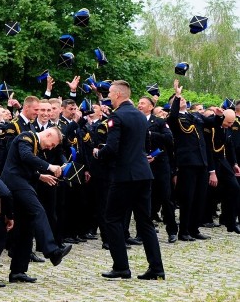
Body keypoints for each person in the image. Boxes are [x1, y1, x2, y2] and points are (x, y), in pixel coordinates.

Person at [92, 80, 165, 280]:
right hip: (143, 173)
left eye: (110, 95)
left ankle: (121, 266)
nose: (108, 98)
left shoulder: (117, 116)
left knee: (112, 218)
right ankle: (156, 268)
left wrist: (99, 153)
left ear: (117, 95)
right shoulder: (141, 117)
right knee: (145, 222)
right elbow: (145, 144)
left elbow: (112, 148)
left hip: (124, 176)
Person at [0, 127, 71, 283]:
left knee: (25, 227)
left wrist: (40, 176)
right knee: (38, 211)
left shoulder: (35, 144)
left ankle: (18, 271)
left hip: (22, 182)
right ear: (48, 134)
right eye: (52, 144)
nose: (51, 148)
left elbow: (25, 166)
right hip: (15, 182)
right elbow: (25, 157)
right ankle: (52, 251)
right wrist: (49, 167)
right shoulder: (26, 137)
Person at [167, 80, 223, 241]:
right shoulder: (175, 118)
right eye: (179, 99)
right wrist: (176, 96)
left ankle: (194, 228)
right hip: (187, 162)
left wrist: (219, 116)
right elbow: (173, 116)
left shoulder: (195, 116)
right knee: (187, 197)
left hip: (201, 161)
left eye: (183, 98)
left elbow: (212, 123)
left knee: (200, 197)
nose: (182, 99)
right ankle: (183, 231)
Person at [138, 95, 177, 242]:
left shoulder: (160, 122)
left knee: (166, 199)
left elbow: (168, 139)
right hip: (142, 164)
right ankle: (142, 233)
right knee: (144, 200)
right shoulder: (136, 121)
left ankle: (172, 230)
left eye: (142, 103)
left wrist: (150, 134)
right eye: (138, 103)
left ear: (151, 107)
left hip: (160, 165)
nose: (139, 105)